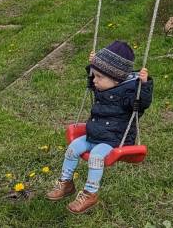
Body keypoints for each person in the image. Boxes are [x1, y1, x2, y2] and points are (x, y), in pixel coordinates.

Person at [46, 40, 152, 214]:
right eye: (94, 76)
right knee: (72, 148)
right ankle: (66, 183)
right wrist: (92, 65)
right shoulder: (102, 86)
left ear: (117, 78)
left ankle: (90, 194)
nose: (94, 80)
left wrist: (145, 85)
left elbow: (141, 104)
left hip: (114, 140)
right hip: (94, 134)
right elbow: (96, 77)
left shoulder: (129, 94)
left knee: (96, 156)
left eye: (99, 77)